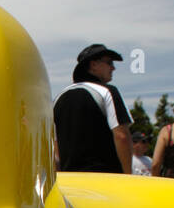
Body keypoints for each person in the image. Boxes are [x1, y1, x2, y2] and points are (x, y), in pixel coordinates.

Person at [52, 44, 132, 174]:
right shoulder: (107, 91)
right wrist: (129, 176)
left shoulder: (58, 99)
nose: (113, 68)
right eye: (109, 63)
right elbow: (121, 136)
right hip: (106, 179)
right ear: (93, 65)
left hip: (71, 183)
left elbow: (56, 148)